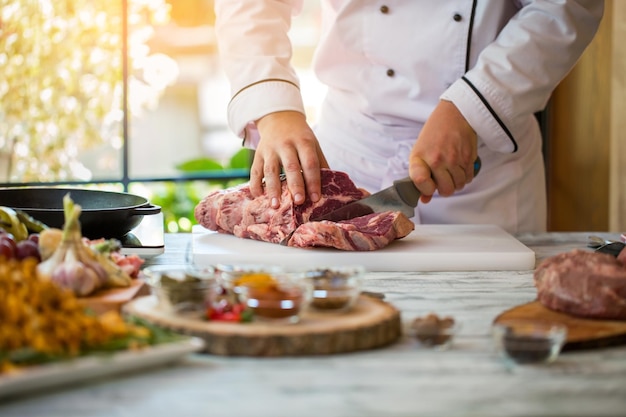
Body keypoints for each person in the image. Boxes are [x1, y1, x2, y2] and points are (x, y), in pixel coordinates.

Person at [213, 0, 604, 234]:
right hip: (349, 154)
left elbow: (563, 8)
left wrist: (473, 107)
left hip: (482, 168)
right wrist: (274, 106)